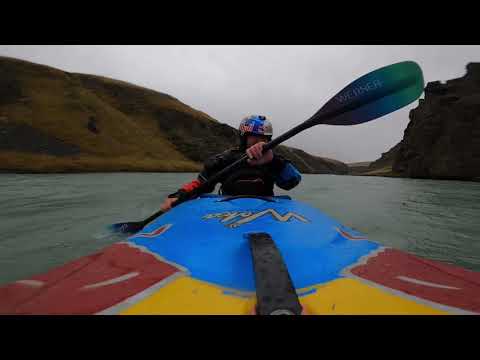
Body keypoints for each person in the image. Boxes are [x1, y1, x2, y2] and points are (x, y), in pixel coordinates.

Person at [160, 115, 302, 212]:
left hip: (264, 209)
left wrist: (273, 161)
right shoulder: (225, 159)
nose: (259, 141)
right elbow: (200, 185)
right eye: (254, 137)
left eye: (263, 138)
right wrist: (179, 195)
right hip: (227, 211)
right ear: (243, 138)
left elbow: (292, 181)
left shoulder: (273, 159)